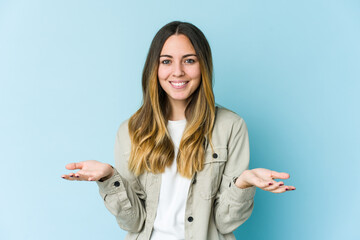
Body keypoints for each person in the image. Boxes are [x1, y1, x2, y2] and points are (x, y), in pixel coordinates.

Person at [62, 21, 296, 240]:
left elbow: (225, 223)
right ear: (154, 68)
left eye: (189, 60)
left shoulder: (230, 126)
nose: (177, 72)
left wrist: (243, 183)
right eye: (166, 61)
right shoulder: (131, 131)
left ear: (203, 65)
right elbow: (133, 223)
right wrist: (108, 177)